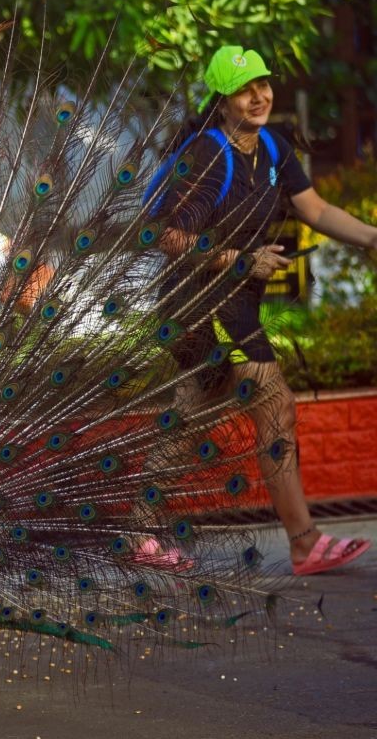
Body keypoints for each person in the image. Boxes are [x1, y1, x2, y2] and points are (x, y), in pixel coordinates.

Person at [153, 45, 375, 575]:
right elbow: (167, 235)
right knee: (275, 402)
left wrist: (371, 237)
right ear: (222, 100)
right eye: (243, 90)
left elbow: (315, 208)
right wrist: (237, 259)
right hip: (199, 303)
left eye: (263, 85)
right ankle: (304, 541)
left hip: (235, 301)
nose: (258, 97)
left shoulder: (272, 147)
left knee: (190, 418)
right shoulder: (207, 156)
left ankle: (138, 531)